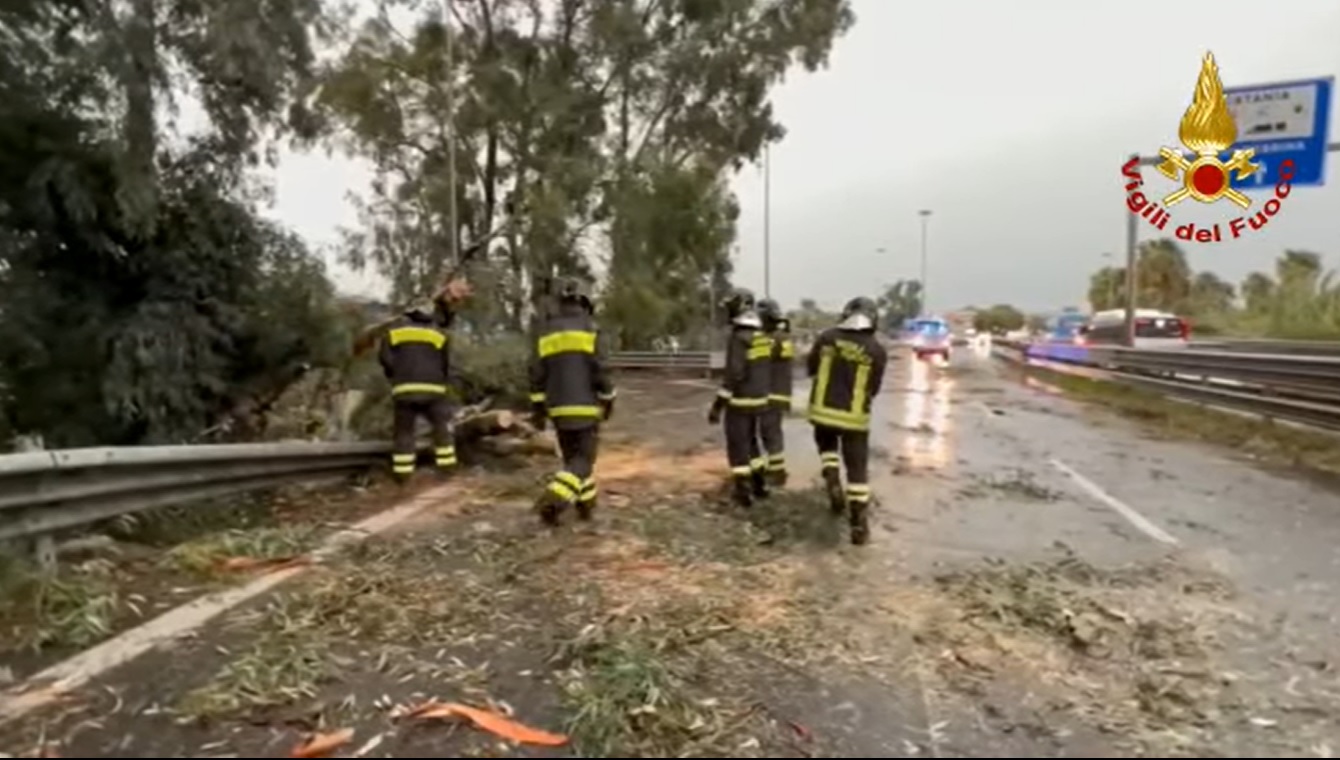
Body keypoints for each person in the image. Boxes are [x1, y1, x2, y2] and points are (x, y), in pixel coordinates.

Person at [529, 277, 616, 525]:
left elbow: (536, 372)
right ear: (585, 302)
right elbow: (600, 368)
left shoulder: (546, 331)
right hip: (585, 406)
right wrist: (608, 398)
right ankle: (552, 503)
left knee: (572, 460)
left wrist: (538, 407)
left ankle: (586, 506)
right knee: (584, 461)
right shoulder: (590, 327)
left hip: (557, 407)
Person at [806, 296, 888, 545]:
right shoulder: (876, 350)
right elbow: (874, 387)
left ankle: (831, 475)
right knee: (857, 469)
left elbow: (810, 367)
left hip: (822, 412)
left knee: (827, 445)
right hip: (855, 419)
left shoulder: (827, 338)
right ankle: (859, 524)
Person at [379, 303, 458, 482]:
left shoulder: (393, 334)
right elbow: (446, 364)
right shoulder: (440, 336)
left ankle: (402, 474)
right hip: (434, 390)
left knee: (404, 432)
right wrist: (442, 381)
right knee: (441, 430)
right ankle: (447, 470)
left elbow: (384, 359)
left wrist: (397, 373)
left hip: (404, 390)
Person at [709, 288, 773, 507]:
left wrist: (718, 405)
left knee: (738, 446)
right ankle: (760, 484)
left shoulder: (739, 337)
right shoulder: (761, 335)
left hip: (741, 401)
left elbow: (734, 374)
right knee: (752, 443)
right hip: (760, 401)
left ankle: (743, 492)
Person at [757, 298, 793, 486]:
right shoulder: (783, 337)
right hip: (780, 392)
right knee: (771, 431)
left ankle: (777, 473)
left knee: (769, 432)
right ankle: (776, 469)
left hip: (770, 392)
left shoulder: (771, 339)